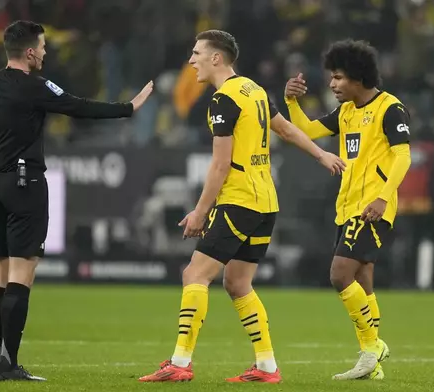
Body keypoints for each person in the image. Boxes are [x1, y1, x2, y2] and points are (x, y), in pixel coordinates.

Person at [139, 30, 345, 384]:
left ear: (216, 58)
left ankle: (179, 363)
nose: (191, 61)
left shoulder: (222, 101)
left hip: (239, 201)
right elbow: (286, 130)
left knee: (195, 274)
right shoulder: (255, 91)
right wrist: (321, 153)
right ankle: (266, 367)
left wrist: (200, 212)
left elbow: (220, 165)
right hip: (266, 203)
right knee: (237, 283)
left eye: (197, 53)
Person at [0, 20, 153, 382]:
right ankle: (9, 365)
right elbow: (76, 106)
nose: (45, 52)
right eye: (42, 47)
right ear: (28, 52)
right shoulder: (35, 87)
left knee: (0, 272)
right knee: (23, 273)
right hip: (26, 183)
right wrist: (127, 109)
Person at [284, 39, 411, 380]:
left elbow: (403, 156)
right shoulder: (347, 112)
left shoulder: (390, 108)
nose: (332, 84)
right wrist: (291, 102)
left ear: (357, 77)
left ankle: (372, 347)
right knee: (363, 281)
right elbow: (308, 130)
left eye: (338, 77)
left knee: (339, 274)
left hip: (372, 207)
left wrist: (383, 197)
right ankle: (372, 362)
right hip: (347, 207)